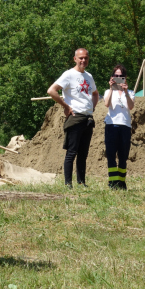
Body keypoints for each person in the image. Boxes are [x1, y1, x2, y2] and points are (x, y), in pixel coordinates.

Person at [47, 48, 99, 188]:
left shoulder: (89, 76)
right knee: (72, 152)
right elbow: (51, 90)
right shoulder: (69, 74)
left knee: (83, 153)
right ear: (75, 59)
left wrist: (92, 107)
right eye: (81, 58)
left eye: (86, 58)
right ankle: (68, 183)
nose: (83, 60)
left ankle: (81, 182)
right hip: (75, 117)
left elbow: (95, 93)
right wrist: (65, 106)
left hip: (88, 118)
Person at [103, 64, 135, 189]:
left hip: (125, 125)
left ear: (125, 78)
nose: (118, 78)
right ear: (112, 77)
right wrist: (111, 88)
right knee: (111, 154)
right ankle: (113, 182)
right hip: (111, 125)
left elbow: (131, 106)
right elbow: (106, 104)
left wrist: (126, 91)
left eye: (121, 76)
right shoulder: (108, 91)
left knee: (123, 155)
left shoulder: (131, 92)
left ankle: (122, 182)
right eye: (116, 75)